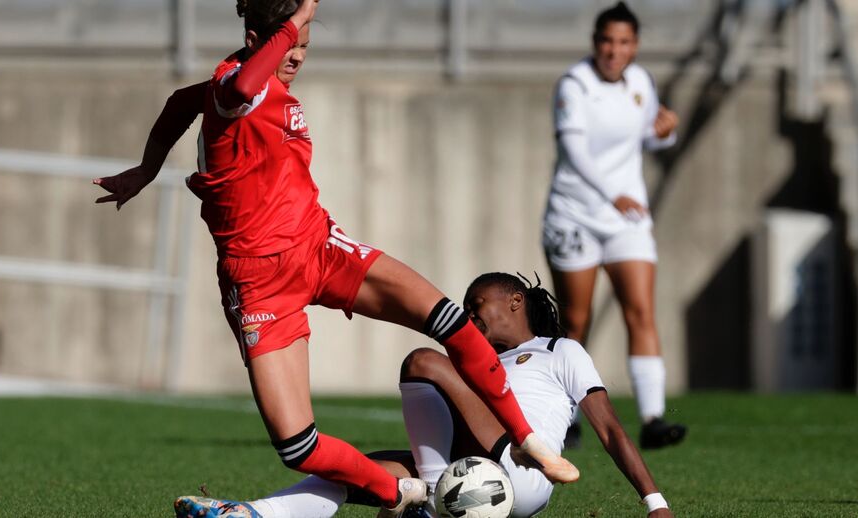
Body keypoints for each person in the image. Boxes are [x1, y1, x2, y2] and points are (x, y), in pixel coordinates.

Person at [93, 1, 577, 516]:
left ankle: (526, 440)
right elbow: (225, 92)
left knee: (450, 321)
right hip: (258, 283)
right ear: (258, 39)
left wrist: (146, 168)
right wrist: (298, 15)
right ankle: (397, 493)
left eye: (305, 45)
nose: (297, 56)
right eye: (289, 43)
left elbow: (177, 103)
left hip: (319, 247)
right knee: (296, 446)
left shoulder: (256, 84)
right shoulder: (236, 85)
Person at [173, 272, 674, 518]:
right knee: (351, 471)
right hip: (468, 466)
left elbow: (608, 428)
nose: (470, 317)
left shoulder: (559, 351)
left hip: (523, 475)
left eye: (478, 306)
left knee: (423, 360)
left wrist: (655, 503)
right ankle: (252, 515)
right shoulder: (475, 362)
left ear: (516, 301)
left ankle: (430, 502)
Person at [541, 1, 686, 449]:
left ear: (635, 46)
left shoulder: (641, 83)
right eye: (607, 40)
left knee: (640, 309)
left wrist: (666, 132)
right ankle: (563, 417)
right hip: (576, 214)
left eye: (624, 42)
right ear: (595, 43)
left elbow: (645, 136)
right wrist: (612, 194)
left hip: (626, 219)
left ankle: (653, 418)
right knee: (576, 322)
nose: (614, 50)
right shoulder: (575, 85)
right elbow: (576, 151)